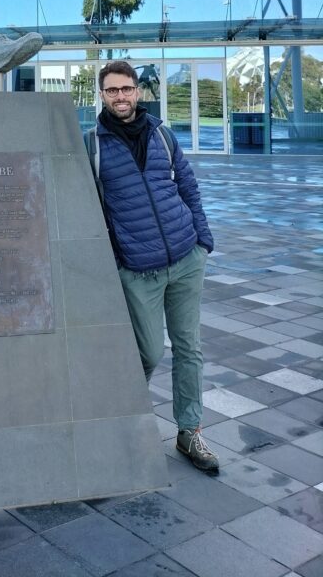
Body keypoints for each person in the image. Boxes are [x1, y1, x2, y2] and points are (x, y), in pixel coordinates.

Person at [86, 60, 219, 472]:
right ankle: (118, 422)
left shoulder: (162, 134)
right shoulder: (92, 145)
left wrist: (202, 240)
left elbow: (188, 185)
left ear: (138, 92)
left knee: (188, 349)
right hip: (137, 269)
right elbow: (91, 209)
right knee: (145, 352)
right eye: (112, 91)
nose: (120, 97)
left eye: (126, 89)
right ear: (102, 95)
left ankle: (189, 432)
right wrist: (115, 259)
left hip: (184, 258)